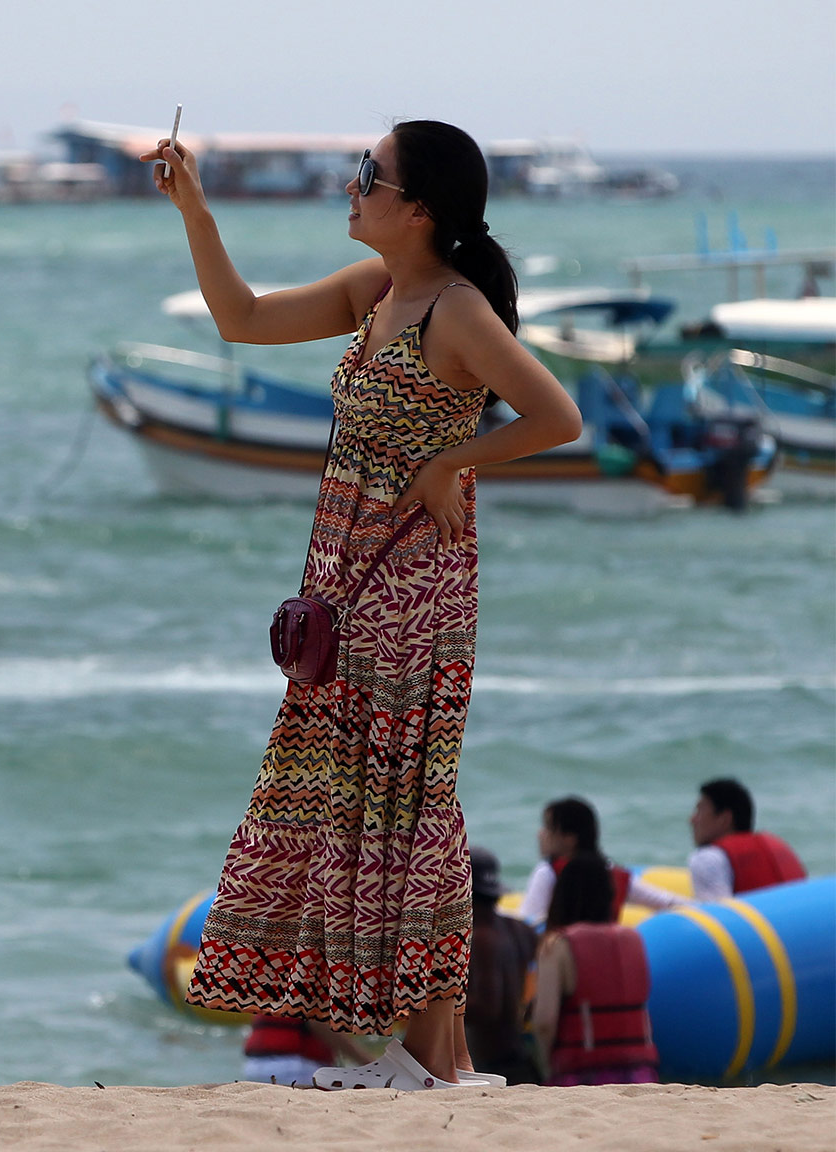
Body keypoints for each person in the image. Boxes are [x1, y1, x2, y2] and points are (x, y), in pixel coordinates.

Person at [148, 121, 583, 1092]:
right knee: (385, 805)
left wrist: (449, 461)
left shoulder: (457, 313)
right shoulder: (376, 295)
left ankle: (430, 1056)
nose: (349, 190)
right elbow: (241, 317)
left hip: (416, 590)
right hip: (350, 588)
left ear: (417, 206)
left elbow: (558, 416)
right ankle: (439, 1056)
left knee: (410, 807)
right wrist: (194, 210)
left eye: (366, 176)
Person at [531, 852, 660, 1085]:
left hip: (580, 1074)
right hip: (641, 1073)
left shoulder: (558, 945)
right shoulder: (635, 939)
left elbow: (544, 1023)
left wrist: (545, 1067)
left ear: (562, 895)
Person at [517, 797, 685, 924]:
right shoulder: (612, 872)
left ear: (570, 838)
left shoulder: (547, 872)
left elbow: (528, 922)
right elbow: (667, 903)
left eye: (547, 827)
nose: (540, 834)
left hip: (561, 961)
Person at [463, 846, 540, 1085]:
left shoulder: (478, 937)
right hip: (522, 1059)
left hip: (488, 1068)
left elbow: (488, 1007)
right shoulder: (522, 930)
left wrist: (425, 1003)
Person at [688, 778, 807, 901]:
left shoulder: (708, 858)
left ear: (724, 819)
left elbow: (715, 916)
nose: (692, 820)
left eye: (699, 811)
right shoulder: (778, 846)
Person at [239, 1016, 377, 1087]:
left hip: (253, 1067)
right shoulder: (311, 981)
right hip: (294, 1067)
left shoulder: (276, 980)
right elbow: (319, 1024)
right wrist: (369, 1063)